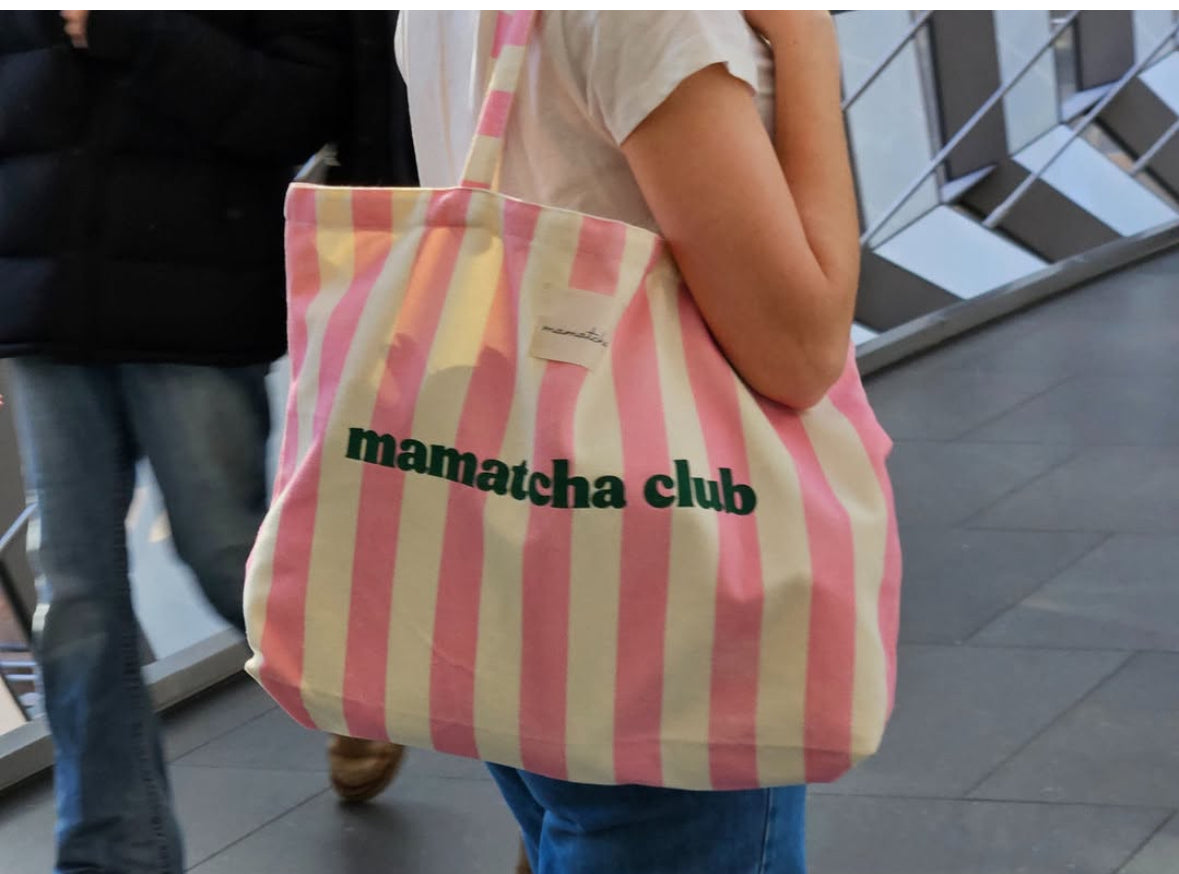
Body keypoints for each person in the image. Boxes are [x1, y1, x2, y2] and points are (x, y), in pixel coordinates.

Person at [395, 11, 859, 873]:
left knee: (575, 819)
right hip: (660, 575)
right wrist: (807, 45)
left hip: (515, 531)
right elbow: (799, 350)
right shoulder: (658, 17)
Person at [0, 11, 367, 873]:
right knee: (75, 594)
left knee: (228, 555)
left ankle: (376, 696)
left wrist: (135, 32)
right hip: (46, 300)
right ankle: (111, 853)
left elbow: (296, 106)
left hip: (197, 303)